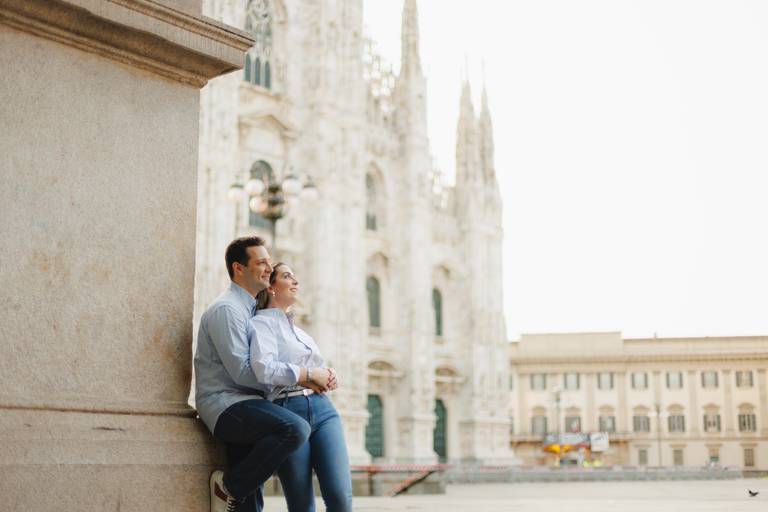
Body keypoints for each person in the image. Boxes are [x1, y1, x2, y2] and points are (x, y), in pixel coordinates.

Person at [195, 236, 320, 512]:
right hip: (226, 404)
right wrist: (302, 376)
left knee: (251, 502)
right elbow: (241, 372)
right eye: (261, 262)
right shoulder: (228, 310)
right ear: (239, 269)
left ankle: (234, 491)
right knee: (295, 428)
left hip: (249, 404)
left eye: (268, 262)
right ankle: (228, 487)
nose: (268, 268)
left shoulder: (251, 309)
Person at [251, 263, 353, 512]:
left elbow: (318, 369)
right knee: (301, 503)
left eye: (296, 277)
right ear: (272, 287)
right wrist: (308, 376)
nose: (296, 282)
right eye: (287, 277)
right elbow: (264, 369)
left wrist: (330, 374)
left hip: (323, 410)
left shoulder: (300, 332)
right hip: (288, 411)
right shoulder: (260, 325)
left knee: (340, 496)